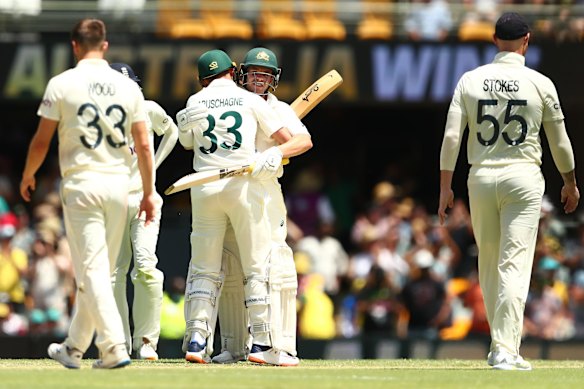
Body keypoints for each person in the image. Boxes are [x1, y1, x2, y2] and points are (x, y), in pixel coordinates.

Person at [438, 12, 580, 371]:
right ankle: (505, 349)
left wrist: (445, 188)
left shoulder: (471, 79)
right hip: (523, 176)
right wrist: (570, 182)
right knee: (514, 263)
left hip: (481, 176)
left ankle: (499, 345)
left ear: (494, 40)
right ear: (527, 40)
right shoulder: (540, 82)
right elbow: (559, 142)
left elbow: (453, 137)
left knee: (488, 262)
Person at [19, 18, 156, 369]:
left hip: (82, 185)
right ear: (105, 46)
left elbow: (41, 140)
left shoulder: (62, 83)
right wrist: (149, 191)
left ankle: (113, 347)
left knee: (93, 271)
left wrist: (28, 175)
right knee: (98, 269)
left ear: (75, 45)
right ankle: (74, 348)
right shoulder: (127, 87)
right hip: (118, 186)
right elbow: (143, 144)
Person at [176, 49, 308, 365]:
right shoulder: (247, 101)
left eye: (265, 73)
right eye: (253, 72)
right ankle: (245, 345)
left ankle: (268, 345)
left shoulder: (197, 101)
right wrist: (275, 150)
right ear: (237, 72)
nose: (258, 78)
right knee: (244, 268)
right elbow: (285, 138)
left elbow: (299, 141)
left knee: (268, 266)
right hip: (243, 190)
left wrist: (273, 156)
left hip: (226, 189)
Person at [109, 62, 178, 361]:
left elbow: (171, 131)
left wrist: (153, 171)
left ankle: (146, 342)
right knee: (113, 274)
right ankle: (120, 343)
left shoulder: (148, 108)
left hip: (143, 199)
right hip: (111, 202)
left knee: (147, 268)